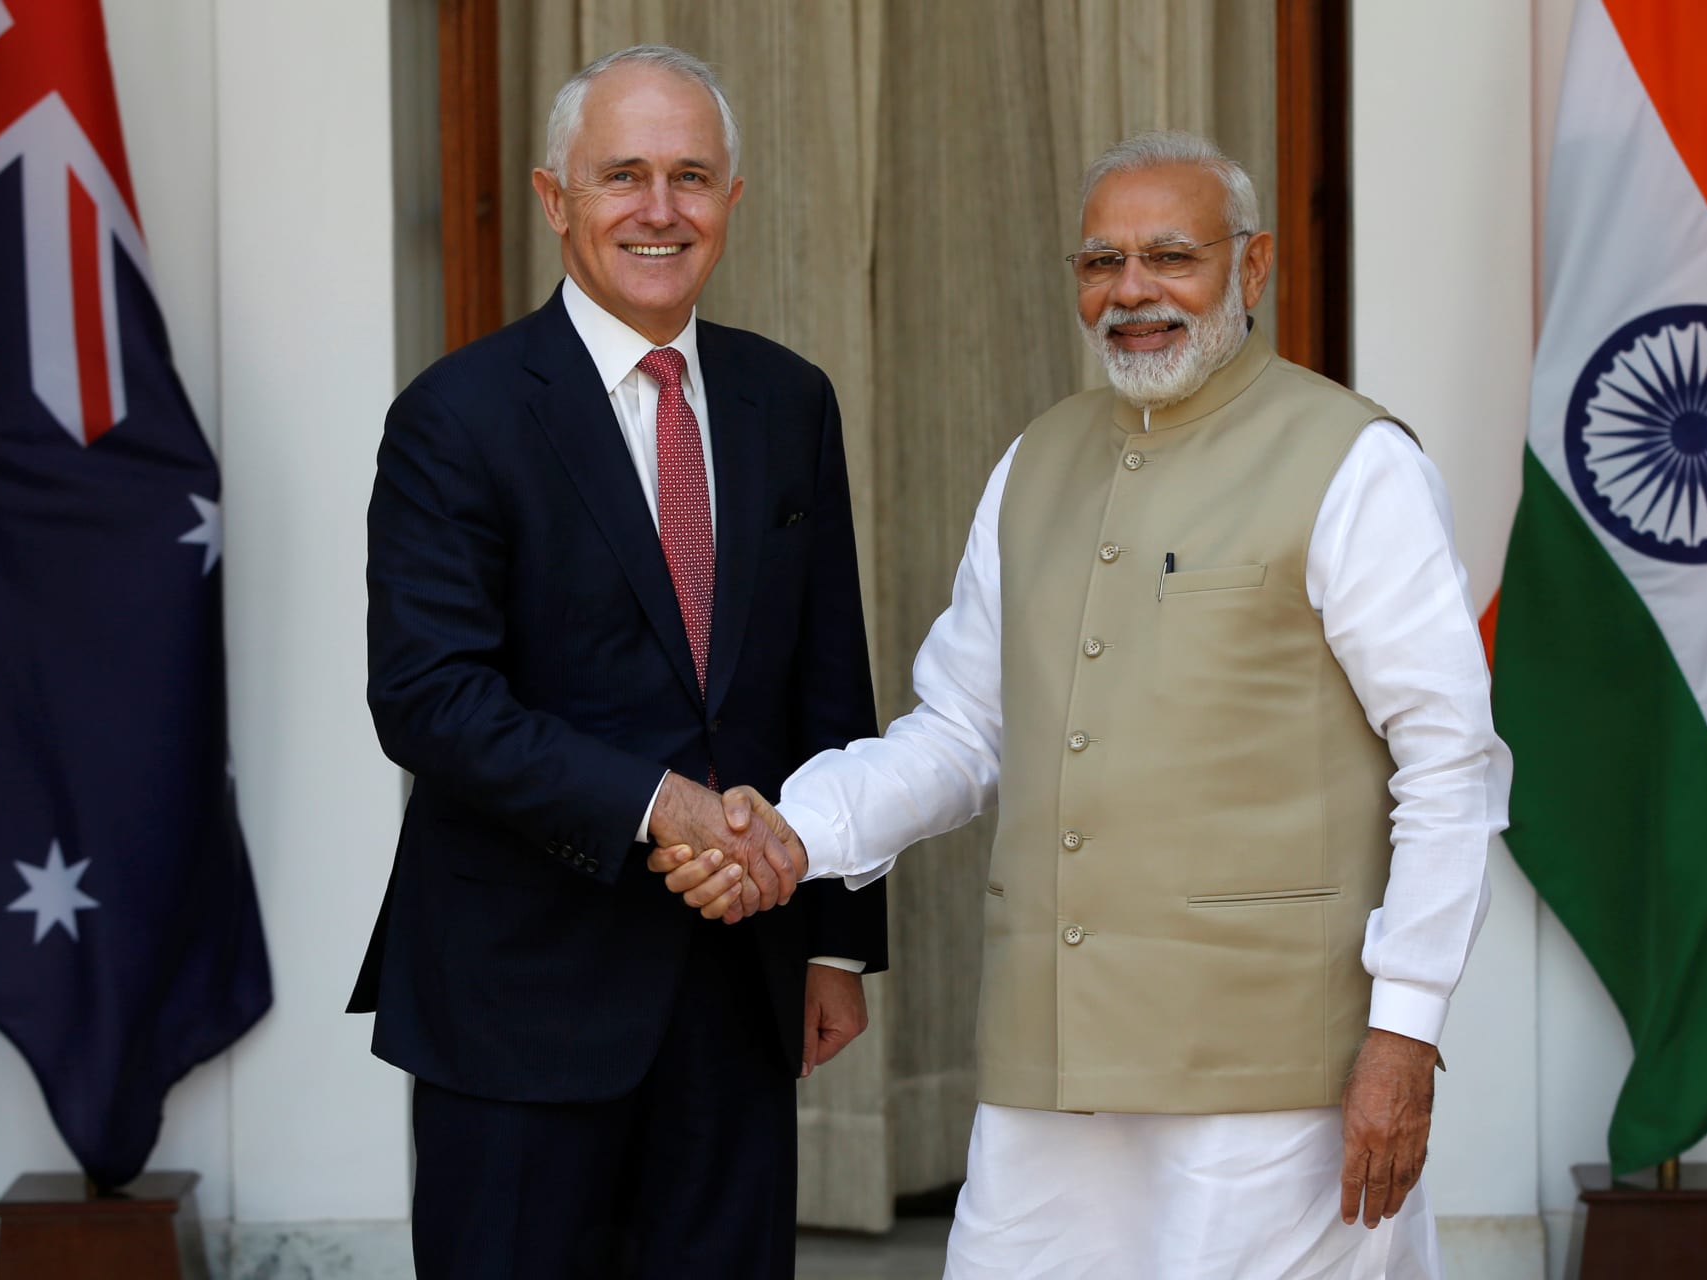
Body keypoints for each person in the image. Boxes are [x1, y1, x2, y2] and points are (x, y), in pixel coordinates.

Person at [658, 130, 1509, 1279]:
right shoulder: (1035, 461)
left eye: (1172, 256)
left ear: (1251, 271)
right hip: (1050, 1067)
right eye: (1101, 261)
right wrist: (793, 830)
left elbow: (1451, 760)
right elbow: (960, 730)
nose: (1133, 292)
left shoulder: (1353, 463)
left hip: (1272, 1073)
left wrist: (1406, 1029)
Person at [346, 45, 883, 1280]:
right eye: (622, 175)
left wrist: (837, 940)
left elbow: (826, 681)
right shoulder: (457, 413)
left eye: (691, 176)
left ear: (732, 202)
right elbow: (429, 696)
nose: (659, 209)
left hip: (740, 983)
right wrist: (656, 805)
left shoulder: (787, 401)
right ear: (554, 200)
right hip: (519, 993)